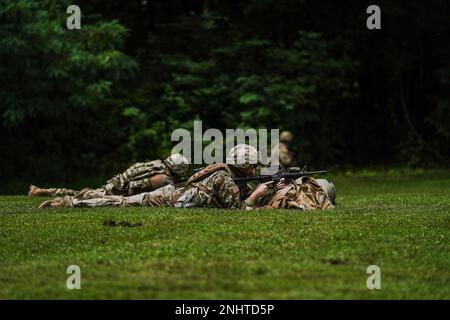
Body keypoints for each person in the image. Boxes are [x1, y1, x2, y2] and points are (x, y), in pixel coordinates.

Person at [33, 153, 189, 200]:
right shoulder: (162, 177)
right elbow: (135, 187)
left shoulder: (156, 163)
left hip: (117, 182)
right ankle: (42, 192)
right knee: (79, 195)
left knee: (80, 193)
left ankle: (42, 190)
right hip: (118, 190)